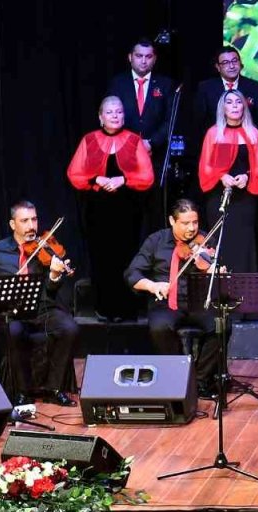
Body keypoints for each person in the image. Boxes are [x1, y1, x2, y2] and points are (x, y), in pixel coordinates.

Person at [0, 200, 79, 406]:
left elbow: (51, 291)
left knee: (69, 328)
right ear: (12, 224)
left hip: (42, 308)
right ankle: (21, 392)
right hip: (12, 311)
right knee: (14, 332)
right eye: (24, 221)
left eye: (34, 219)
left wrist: (54, 275)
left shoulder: (46, 248)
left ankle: (54, 388)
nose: (31, 226)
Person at [66, 96, 154, 321]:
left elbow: (147, 176)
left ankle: (127, 309)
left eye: (119, 112)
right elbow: (75, 173)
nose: (115, 116)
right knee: (101, 257)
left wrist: (122, 180)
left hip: (127, 210)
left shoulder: (134, 140)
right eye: (110, 112)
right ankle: (103, 308)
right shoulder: (89, 140)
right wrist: (97, 178)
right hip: (98, 210)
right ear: (100, 116)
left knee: (126, 256)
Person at [124, 199, 222, 395]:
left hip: (198, 302)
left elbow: (216, 273)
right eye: (185, 223)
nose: (192, 228)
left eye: (195, 222)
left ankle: (200, 381)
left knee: (222, 325)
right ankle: (177, 376)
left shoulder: (206, 240)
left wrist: (214, 271)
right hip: (165, 303)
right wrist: (153, 285)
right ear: (172, 221)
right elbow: (132, 274)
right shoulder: (156, 241)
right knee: (160, 328)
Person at [199, 90, 258, 273]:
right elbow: (205, 166)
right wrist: (221, 176)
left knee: (243, 242)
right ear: (223, 108)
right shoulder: (214, 133)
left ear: (244, 106)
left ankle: (244, 287)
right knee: (221, 240)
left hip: (245, 198)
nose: (235, 106)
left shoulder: (253, 133)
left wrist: (247, 176)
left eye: (238, 102)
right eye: (229, 102)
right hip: (219, 197)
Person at [106, 39, 174, 167]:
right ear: (130, 57)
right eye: (139, 56)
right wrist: (130, 144)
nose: (143, 61)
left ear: (154, 59)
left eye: (148, 57)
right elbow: (110, 117)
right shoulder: (118, 83)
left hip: (156, 154)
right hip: (123, 152)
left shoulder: (166, 84)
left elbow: (171, 119)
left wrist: (151, 143)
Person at [194, 46, 258, 145]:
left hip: (246, 144)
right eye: (225, 63)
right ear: (218, 67)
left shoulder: (255, 87)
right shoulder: (206, 88)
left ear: (240, 63)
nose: (232, 66)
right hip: (215, 143)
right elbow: (199, 121)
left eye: (234, 61)